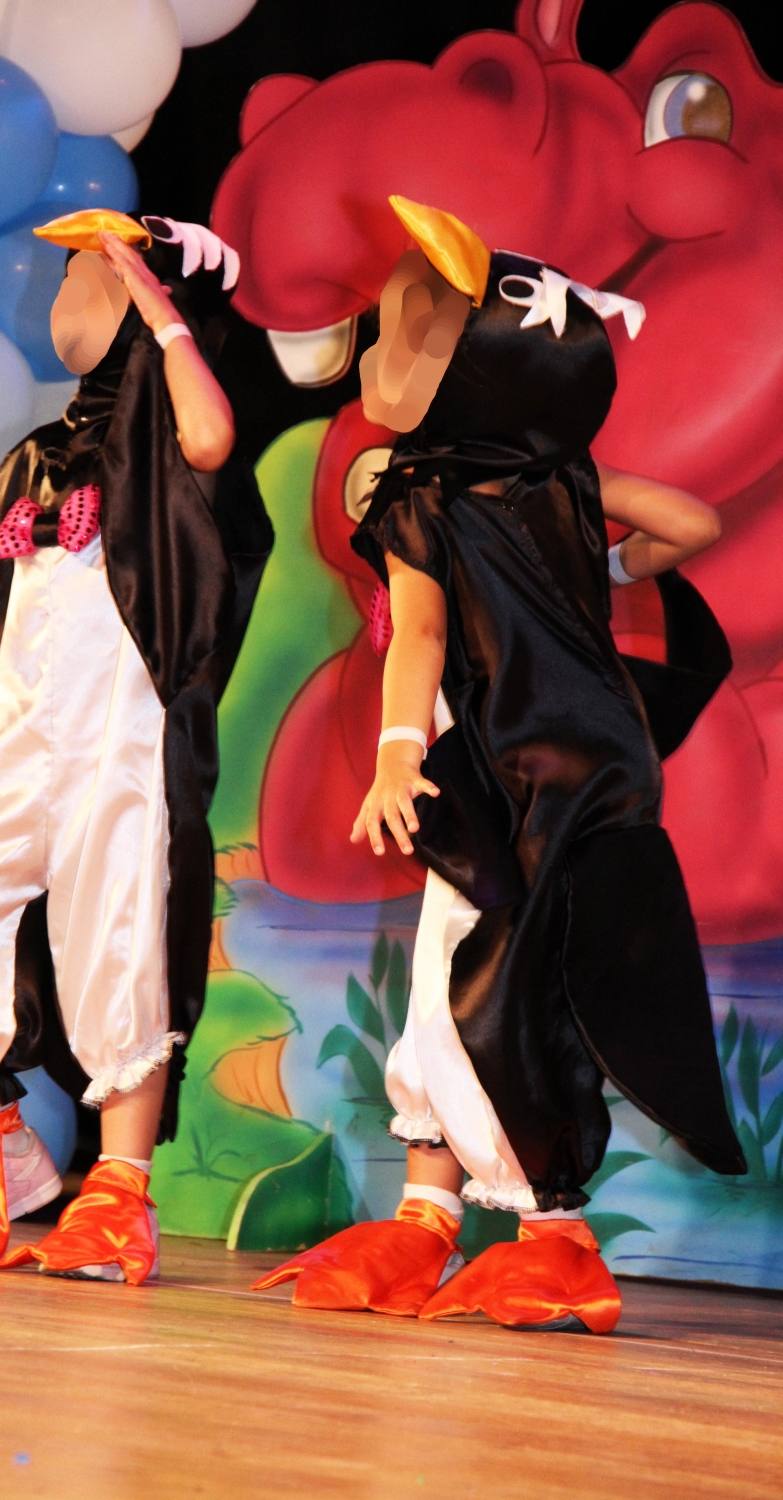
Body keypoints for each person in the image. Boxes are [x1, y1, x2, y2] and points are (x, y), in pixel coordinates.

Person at [254, 196, 744, 1332]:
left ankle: (555, 1235)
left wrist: (395, 756)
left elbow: (420, 638)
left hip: (516, 767)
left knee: (500, 977)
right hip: (576, 760)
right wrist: (598, 566)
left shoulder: (425, 500)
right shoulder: (563, 484)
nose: (382, 358)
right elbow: (694, 525)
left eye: (418, 337)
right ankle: (427, 1218)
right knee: (461, 966)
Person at [0, 209, 273, 1280]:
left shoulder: (173, 452)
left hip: (119, 746)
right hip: (17, 734)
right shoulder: (39, 456)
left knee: (115, 950)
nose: (72, 295)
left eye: (95, 275)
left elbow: (211, 439)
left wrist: (159, 308)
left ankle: (119, 1191)